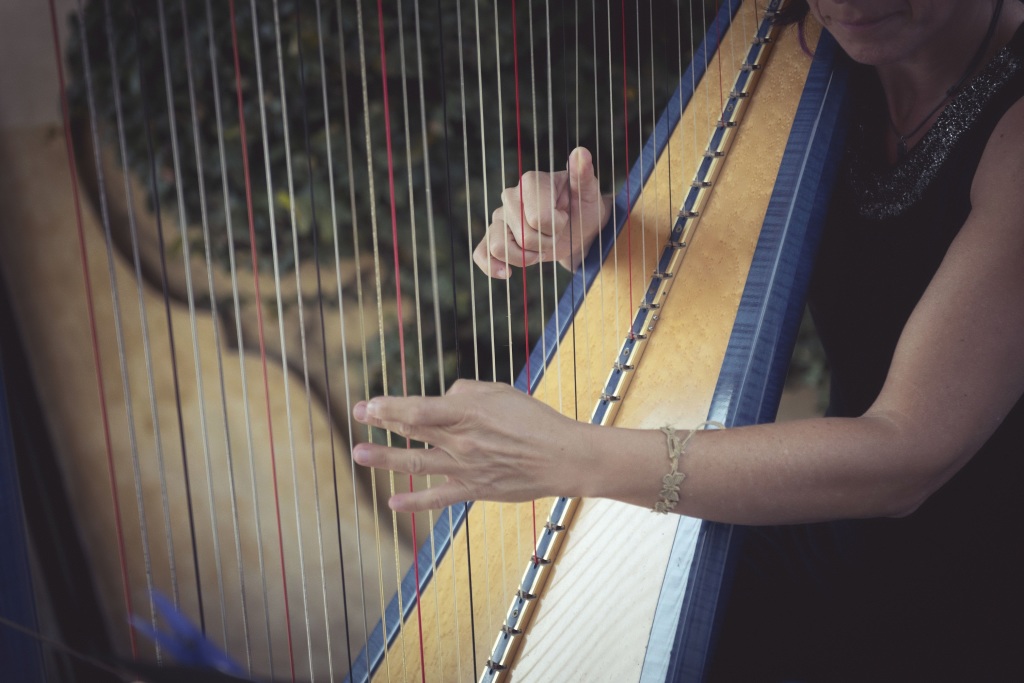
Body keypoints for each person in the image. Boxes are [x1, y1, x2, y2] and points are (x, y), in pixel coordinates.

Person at [353, 1, 1024, 678]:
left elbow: (905, 456)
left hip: (972, 592)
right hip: (844, 530)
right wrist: (599, 233)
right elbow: (743, 269)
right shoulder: (819, 54)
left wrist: (572, 454)